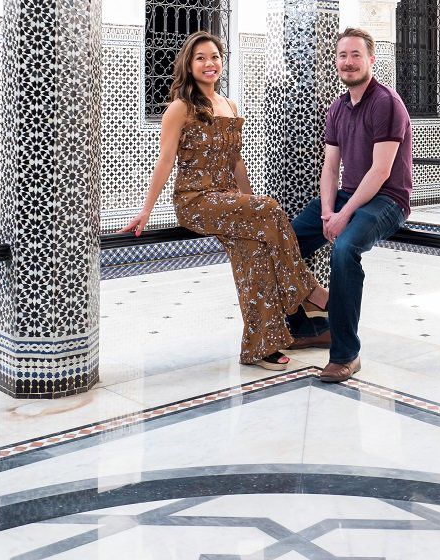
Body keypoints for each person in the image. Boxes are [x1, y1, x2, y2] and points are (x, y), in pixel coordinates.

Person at [119, 30, 329, 371]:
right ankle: (308, 291)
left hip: (228, 200)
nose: (209, 63)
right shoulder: (180, 108)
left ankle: (259, 348)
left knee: (255, 254)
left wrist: (249, 207)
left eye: (214, 57)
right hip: (195, 199)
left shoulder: (229, 104)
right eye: (200, 57)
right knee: (271, 206)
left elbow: (236, 161)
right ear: (188, 64)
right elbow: (165, 160)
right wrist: (146, 210)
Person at [288, 27, 412, 383]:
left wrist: (343, 215)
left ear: (371, 60)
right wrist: (329, 210)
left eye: (356, 55)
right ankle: (308, 326)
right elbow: (330, 167)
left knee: (343, 250)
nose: (349, 62)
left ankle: (346, 354)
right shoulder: (338, 108)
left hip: (388, 199)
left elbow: (381, 171)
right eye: (343, 56)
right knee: (284, 241)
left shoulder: (386, 103)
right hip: (348, 196)